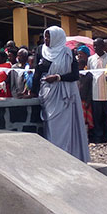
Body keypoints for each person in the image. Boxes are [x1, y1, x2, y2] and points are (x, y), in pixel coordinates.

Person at [30, 26, 89, 162]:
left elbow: (74, 75)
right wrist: (32, 91)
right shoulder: (41, 50)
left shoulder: (67, 53)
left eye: (49, 37)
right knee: (50, 125)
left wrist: (57, 77)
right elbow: (37, 72)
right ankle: (53, 156)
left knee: (64, 126)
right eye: (45, 36)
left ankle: (66, 155)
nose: (46, 39)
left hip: (64, 95)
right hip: (48, 94)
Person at [87, 38, 107, 144]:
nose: (96, 48)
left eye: (98, 45)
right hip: (96, 92)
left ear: (103, 46)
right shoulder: (91, 59)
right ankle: (98, 136)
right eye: (94, 46)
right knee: (97, 116)